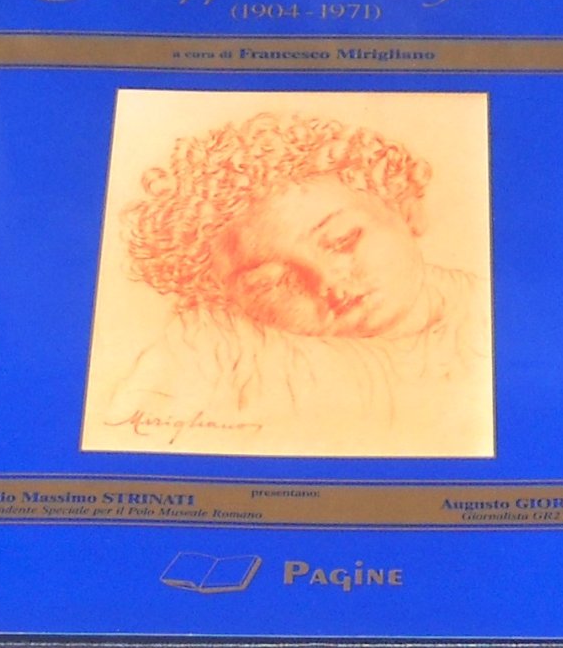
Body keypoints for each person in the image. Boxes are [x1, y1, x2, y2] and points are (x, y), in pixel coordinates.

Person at [88, 110, 490, 455]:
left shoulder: (485, 317)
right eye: (271, 283)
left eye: (343, 240)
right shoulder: (217, 344)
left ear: (406, 209)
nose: (326, 283)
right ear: (223, 295)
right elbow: (130, 435)